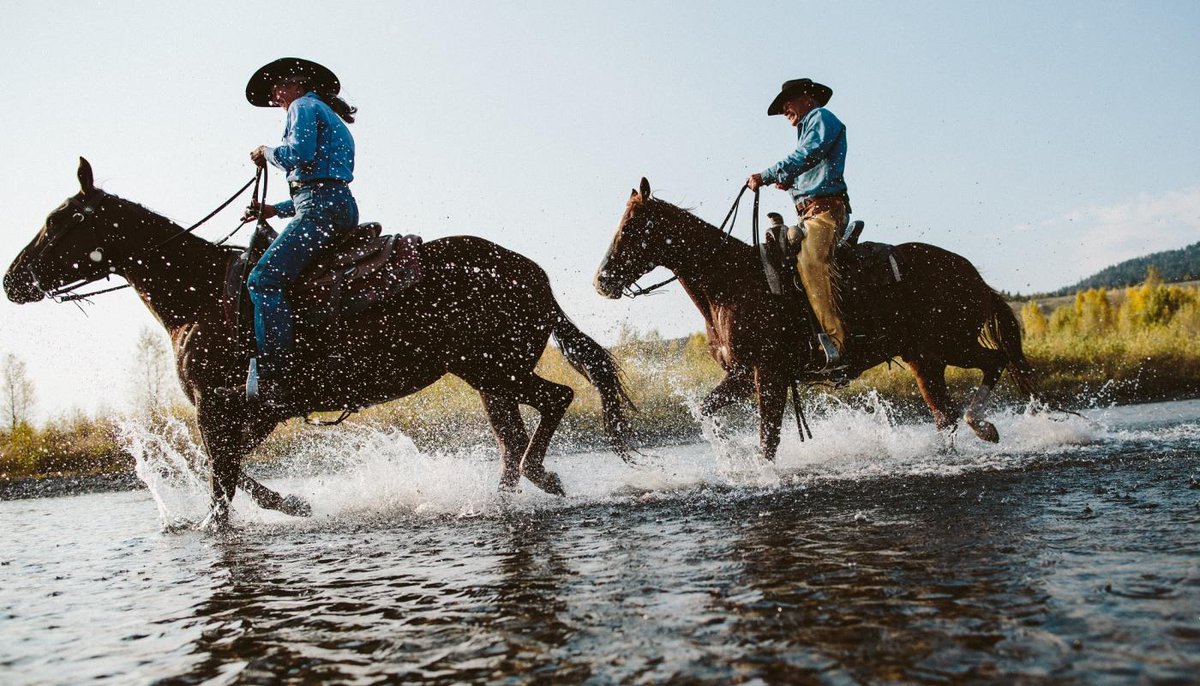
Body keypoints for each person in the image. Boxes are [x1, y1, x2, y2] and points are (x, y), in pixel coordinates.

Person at [242, 57, 360, 406]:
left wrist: (267, 152)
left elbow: (298, 154)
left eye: (278, 87)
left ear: (296, 85)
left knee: (262, 280)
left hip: (321, 209)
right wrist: (274, 210)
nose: (276, 96)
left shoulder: (303, 107)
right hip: (336, 205)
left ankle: (276, 378)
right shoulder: (325, 112)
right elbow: (318, 184)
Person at [747, 78, 850, 371]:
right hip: (809, 213)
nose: (784, 112)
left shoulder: (821, 118)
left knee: (811, 263)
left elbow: (809, 154)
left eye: (786, 104)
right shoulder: (808, 129)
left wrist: (768, 174)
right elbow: (809, 166)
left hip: (826, 213)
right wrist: (790, 183)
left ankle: (836, 345)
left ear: (806, 98)